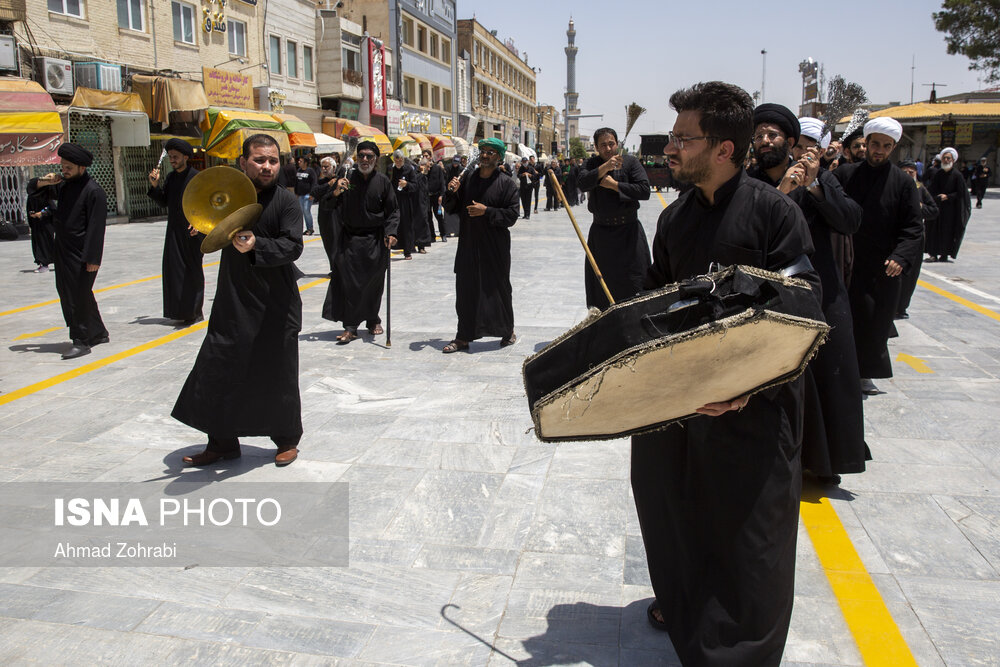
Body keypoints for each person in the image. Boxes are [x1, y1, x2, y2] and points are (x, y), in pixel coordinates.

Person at [632, 81, 820, 665]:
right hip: (679, 409)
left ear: (724, 149)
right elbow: (657, 300)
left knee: (747, 542)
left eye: (684, 139)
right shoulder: (675, 218)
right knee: (674, 513)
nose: (670, 148)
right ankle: (685, 605)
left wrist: (741, 389)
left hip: (752, 412)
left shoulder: (774, 213)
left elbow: (803, 305)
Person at [748, 109, 868, 486]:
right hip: (770, 295)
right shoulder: (748, 183)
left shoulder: (820, 180)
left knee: (829, 374)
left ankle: (826, 460)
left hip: (820, 290)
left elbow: (850, 220)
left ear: (789, 140)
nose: (766, 141)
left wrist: (814, 187)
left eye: (773, 135)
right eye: (760, 135)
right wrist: (781, 194)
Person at [172, 133, 304, 467]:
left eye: (273, 160)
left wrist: (257, 244)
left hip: (276, 300)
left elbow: (293, 246)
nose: (267, 166)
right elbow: (210, 219)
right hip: (234, 297)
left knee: (278, 371)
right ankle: (221, 442)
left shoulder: (286, 202)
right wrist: (204, 227)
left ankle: (287, 439)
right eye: (260, 160)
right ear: (243, 162)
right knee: (219, 365)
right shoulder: (229, 196)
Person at [834, 118, 923, 395]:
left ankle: (864, 374)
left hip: (882, 268)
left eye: (886, 146)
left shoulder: (903, 183)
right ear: (867, 143)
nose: (879, 151)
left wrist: (901, 256)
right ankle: (837, 372)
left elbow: (913, 227)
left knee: (874, 323)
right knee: (841, 319)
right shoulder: (845, 175)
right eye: (875, 144)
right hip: (845, 262)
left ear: (893, 147)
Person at [26, 143, 109, 360]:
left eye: (69, 166)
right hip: (62, 252)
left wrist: (93, 258)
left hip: (82, 255)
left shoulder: (94, 191)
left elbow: (96, 229)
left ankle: (81, 340)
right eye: (62, 165)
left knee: (77, 297)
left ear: (82, 167)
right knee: (71, 293)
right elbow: (32, 189)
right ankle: (98, 333)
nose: (64, 169)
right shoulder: (63, 186)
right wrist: (46, 180)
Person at [441, 137, 519, 353]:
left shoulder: (506, 184)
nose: (485, 155)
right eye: (483, 151)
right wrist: (451, 192)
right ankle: (463, 336)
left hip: (494, 247)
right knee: (466, 289)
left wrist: (488, 211)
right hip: (468, 244)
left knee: (498, 288)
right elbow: (451, 208)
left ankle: (507, 330)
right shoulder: (467, 180)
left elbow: (512, 215)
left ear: (499, 157)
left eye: (490, 152)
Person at [322, 140, 398, 344]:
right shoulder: (346, 178)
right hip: (350, 240)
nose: (365, 160)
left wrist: (391, 232)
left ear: (376, 159)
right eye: (361, 156)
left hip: (375, 240)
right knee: (350, 284)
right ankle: (350, 327)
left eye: (369, 156)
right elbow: (328, 205)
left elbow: (393, 211)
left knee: (374, 284)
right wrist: (336, 191)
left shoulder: (383, 182)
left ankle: (373, 319)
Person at [576, 127, 652, 310]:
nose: (608, 148)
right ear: (596, 147)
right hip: (602, 234)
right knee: (602, 282)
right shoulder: (591, 164)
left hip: (629, 233)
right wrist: (605, 168)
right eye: (603, 145)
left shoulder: (631, 162)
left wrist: (615, 185)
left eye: (611, 144)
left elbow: (644, 190)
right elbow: (583, 183)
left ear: (617, 144)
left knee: (635, 280)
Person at [147, 138, 204, 325]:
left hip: (192, 232)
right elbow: (164, 201)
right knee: (175, 272)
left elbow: (205, 204)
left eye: (176, 157)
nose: (172, 160)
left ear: (185, 157)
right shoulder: (171, 178)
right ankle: (180, 311)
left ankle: (195, 311)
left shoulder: (196, 177)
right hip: (173, 231)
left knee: (192, 271)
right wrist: (154, 186)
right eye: (170, 157)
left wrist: (200, 225)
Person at [896, 159, 938, 320]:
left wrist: (920, 207)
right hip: (895, 236)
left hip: (914, 238)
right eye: (904, 172)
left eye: (911, 173)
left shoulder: (920, 189)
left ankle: (902, 307)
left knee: (910, 275)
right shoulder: (894, 187)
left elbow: (933, 210)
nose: (907, 176)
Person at [926, 147, 972, 263]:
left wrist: (948, 196)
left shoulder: (957, 176)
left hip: (950, 210)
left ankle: (944, 254)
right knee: (933, 230)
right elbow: (931, 189)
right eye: (944, 158)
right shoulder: (938, 174)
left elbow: (961, 193)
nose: (946, 160)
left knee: (947, 232)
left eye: (948, 158)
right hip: (938, 207)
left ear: (953, 160)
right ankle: (933, 254)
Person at [311, 156, 342, 276]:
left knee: (337, 241)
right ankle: (333, 267)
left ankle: (339, 268)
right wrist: (328, 185)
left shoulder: (340, 179)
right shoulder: (321, 182)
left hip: (337, 215)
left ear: (333, 167)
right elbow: (314, 193)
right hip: (324, 216)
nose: (324, 169)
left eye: (326, 166)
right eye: (322, 167)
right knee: (328, 242)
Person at [390, 149, 418, 259]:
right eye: (396, 161)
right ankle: (392, 247)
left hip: (406, 201)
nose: (398, 163)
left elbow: (415, 186)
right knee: (394, 224)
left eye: (400, 161)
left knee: (406, 225)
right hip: (394, 200)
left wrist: (406, 184)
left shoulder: (409, 170)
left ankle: (407, 251)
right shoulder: (390, 170)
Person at [25, 174, 56, 272]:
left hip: (46, 225)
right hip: (36, 225)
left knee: (46, 244)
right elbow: (29, 208)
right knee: (38, 244)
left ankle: (46, 264)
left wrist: (42, 213)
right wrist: (32, 215)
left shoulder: (46, 196)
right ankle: (42, 263)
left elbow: (53, 209)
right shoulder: (31, 197)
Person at [426, 150, 447, 242]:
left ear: (431, 157)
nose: (425, 157)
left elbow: (442, 182)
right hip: (427, 197)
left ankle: (443, 234)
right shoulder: (424, 169)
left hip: (436, 196)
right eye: (423, 156)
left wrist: (441, 195)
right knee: (428, 217)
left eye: (426, 156)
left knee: (439, 216)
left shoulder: (437, 168)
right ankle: (432, 235)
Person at [295, 156, 317, 235]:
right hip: (300, 195)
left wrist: (312, 194)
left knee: (307, 211)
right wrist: (296, 192)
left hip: (308, 195)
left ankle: (310, 228)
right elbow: (297, 183)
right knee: (302, 212)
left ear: (305, 163)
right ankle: (304, 228)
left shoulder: (310, 171)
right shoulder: (299, 170)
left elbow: (314, 183)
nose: (299, 162)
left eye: (301, 161)